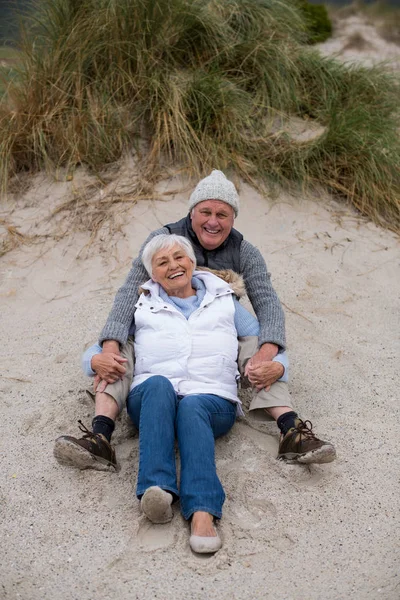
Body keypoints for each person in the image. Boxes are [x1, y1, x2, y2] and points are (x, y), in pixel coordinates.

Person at [54, 170, 336, 472]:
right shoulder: (163, 241)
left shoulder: (245, 252)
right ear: (192, 213)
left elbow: (267, 303)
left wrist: (270, 355)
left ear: (233, 219)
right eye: (205, 212)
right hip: (161, 320)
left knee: (258, 344)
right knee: (118, 349)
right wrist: (107, 347)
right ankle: (100, 436)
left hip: (218, 321)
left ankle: (291, 430)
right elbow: (129, 293)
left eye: (222, 214)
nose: (213, 221)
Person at [56, 235, 290, 553]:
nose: (173, 266)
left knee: (193, 406)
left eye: (179, 258)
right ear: (152, 274)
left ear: (192, 262)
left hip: (212, 400)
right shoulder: (142, 304)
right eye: (162, 262)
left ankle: (203, 512)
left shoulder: (225, 301)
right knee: (156, 384)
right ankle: (157, 489)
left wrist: (280, 366)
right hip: (152, 399)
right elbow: (101, 350)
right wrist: (93, 360)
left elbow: (261, 342)